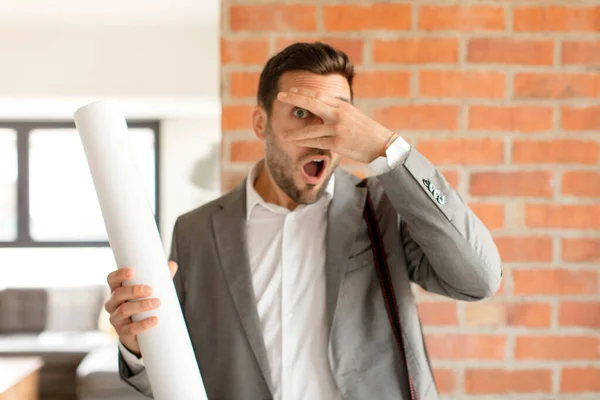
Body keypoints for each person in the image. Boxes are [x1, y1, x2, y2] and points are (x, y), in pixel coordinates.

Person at [106, 42, 502, 400]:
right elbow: (174, 376)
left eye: (337, 116)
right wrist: (138, 347)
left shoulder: (383, 208)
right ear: (261, 124)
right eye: (301, 113)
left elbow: (479, 279)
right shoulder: (195, 231)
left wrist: (388, 149)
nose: (320, 135)